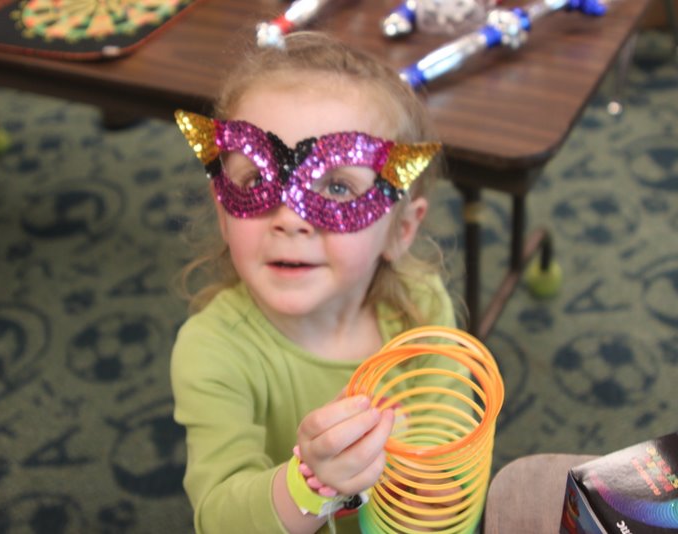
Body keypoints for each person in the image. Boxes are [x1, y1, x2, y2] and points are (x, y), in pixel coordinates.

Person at [170, 31, 471, 534]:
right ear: (223, 213)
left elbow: (451, 471)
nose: (290, 219)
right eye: (254, 181)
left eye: (337, 187)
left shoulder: (421, 308)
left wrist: (421, 474)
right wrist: (312, 483)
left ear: (401, 229)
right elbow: (220, 519)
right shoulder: (210, 350)